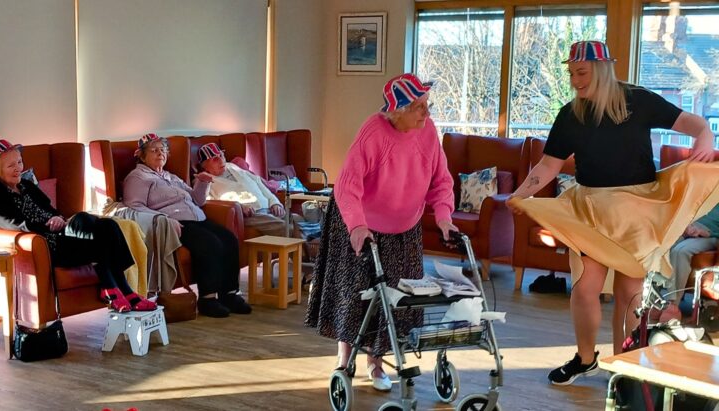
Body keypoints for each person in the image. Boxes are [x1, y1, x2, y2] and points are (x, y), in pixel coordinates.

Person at [506, 40, 719, 386]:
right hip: (592, 210)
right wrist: (519, 194)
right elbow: (548, 165)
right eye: (572, 73)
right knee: (585, 288)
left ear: (603, 69)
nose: (575, 80)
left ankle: (628, 363)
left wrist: (706, 135)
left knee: (629, 293)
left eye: (582, 72)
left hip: (636, 211)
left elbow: (693, 123)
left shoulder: (639, 100)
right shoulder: (570, 114)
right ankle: (586, 358)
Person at [304, 73, 458, 392]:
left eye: (427, 105)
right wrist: (357, 226)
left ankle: (378, 363)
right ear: (396, 111)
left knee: (398, 295)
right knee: (357, 291)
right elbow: (348, 185)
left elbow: (441, 179)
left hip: (405, 225)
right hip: (360, 220)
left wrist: (444, 217)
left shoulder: (427, 131)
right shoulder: (373, 133)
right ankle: (344, 360)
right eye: (418, 107)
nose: (426, 114)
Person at [0, 139, 156, 313]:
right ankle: (122, 291)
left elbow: (50, 209)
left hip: (60, 232)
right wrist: (46, 224)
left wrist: (57, 218)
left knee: (105, 224)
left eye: (19, 162)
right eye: (10, 165)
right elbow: (10, 224)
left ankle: (115, 290)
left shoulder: (26, 185)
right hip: (46, 243)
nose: (18, 168)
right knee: (100, 238)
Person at [123, 133, 251, 318]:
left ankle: (229, 294)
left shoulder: (170, 176)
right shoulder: (138, 177)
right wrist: (163, 218)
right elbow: (134, 206)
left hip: (197, 217)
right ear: (142, 155)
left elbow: (197, 200)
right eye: (154, 150)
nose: (160, 154)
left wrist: (203, 182)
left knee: (229, 239)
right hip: (176, 223)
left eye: (163, 150)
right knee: (210, 243)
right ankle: (207, 299)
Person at [195, 142, 286, 237]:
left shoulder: (232, 166)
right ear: (204, 166)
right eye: (215, 159)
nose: (221, 160)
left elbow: (258, 182)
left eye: (221, 155)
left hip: (270, 208)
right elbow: (210, 203)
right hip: (251, 215)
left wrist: (275, 202)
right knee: (286, 228)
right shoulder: (203, 181)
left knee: (299, 221)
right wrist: (238, 207)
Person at [658, 203, 719, 322]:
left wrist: (707, 233)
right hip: (695, 226)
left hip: (711, 235)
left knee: (680, 251)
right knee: (661, 244)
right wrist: (688, 227)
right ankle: (656, 301)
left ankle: (672, 306)